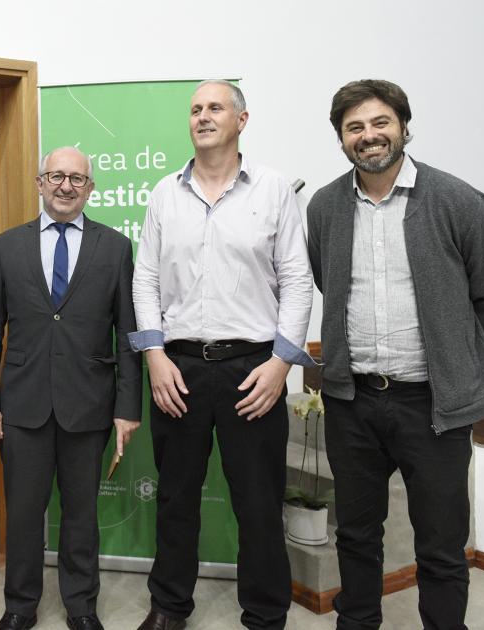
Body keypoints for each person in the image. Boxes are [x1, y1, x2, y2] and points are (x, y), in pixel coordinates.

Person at [130, 80, 314, 630]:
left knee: (258, 504)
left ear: (241, 119)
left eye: (215, 108)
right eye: (195, 109)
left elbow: (298, 281)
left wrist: (281, 364)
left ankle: (264, 615)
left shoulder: (274, 189)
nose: (203, 116)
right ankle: (169, 608)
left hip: (253, 369)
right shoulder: (165, 193)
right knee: (176, 499)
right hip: (177, 368)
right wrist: (154, 356)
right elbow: (145, 281)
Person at [307, 79, 484, 630]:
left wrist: (469, 371)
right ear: (341, 139)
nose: (369, 136)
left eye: (380, 122)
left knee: (440, 546)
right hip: (352, 401)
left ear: (404, 126)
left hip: (433, 406)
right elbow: (326, 281)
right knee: (357, 536)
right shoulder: (324, 207)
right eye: (354, 127)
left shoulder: (458, 200)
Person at [0, 146, 142, 630]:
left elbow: (128, 334)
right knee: (24, 516)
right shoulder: (7, 246)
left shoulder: (114, 248)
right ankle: (21, 606)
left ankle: (81, 607)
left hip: (88, 404)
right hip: (22, 404)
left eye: (77, 179)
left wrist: (127, 406)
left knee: (81, 515)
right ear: (39, 183)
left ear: (90, 188)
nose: (66, 186)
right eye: (55, 176)